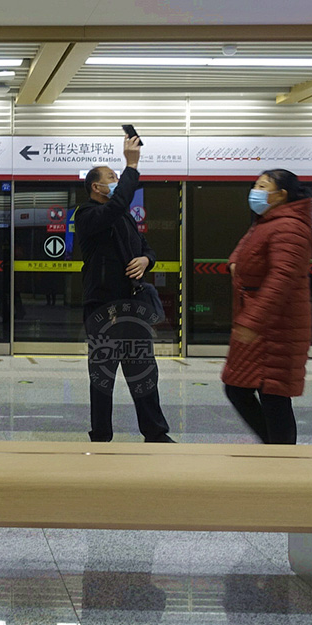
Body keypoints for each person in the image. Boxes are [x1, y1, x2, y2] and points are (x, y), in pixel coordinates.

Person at [76, 135, 173, 443]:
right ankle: (101, 435)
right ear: (96, 187)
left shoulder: (125, 218)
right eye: (112, 177)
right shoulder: (89, 215)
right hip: (104, 309)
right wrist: (132, 165)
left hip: (133, 308)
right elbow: (118, 204)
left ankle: (155, 432)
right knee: (103, 377)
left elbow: (147, 247)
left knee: (144, 372)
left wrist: (146, 259)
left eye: (118, 176)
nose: (116, 180)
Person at [222, 169, 312, 445]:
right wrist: (236, 265)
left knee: (272, 395)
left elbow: (282, 278)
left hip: (277, 326)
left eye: (262, 186)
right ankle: (278, 452)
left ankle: (283, 456)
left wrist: (252, 321)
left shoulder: (290, 227)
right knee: (246, 390)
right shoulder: (266, 222)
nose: (256, 191)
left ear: (281, 194)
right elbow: (240, 252)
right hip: (263, 324)